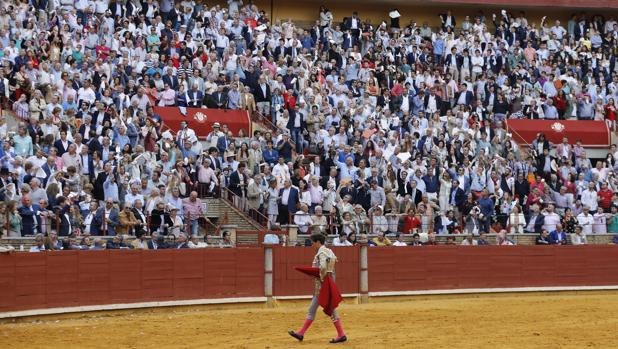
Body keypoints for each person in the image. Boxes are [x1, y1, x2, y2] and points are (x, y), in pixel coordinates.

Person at [289, 234, 347, 344]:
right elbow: (333, 264)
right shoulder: (330, 251)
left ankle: (341, 334)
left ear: (318, 242)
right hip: (325, 285)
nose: (312, 245)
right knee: (316, 309)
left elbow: (324, 267)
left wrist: (321, 277)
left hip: (322, 286)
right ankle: (301, 333)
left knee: (329, 309)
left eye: (313, 242)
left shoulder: (321, 252)